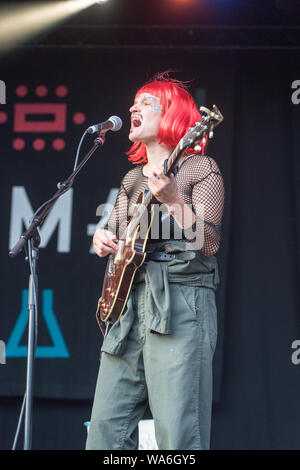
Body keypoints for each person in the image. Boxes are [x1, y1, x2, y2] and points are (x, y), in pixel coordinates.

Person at [86, 72, 224, 450]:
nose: (134, 107)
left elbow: (209, 242)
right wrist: (102, 240)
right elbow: (115, 234)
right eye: (134, 102)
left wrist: (174, 200)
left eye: (147, 103)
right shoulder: (132, 179)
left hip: (180, 303)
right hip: (129, 308)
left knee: (178, 436)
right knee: (104, 435)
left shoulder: (200, 169)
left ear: (173, 116)